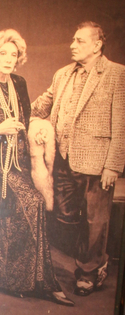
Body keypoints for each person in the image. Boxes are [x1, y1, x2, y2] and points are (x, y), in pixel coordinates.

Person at [0, 29, 72, 305]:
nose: (9, 59)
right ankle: (30, 282)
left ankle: (27, 280)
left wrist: (36, 134)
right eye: (3, 54)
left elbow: (26, 120)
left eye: (14, 54)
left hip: (16, 165)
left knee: (33, 204)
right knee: (32, 202)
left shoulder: (19, 83)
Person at [31, 22, 125, 297]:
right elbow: (41, 106)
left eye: (80, 41)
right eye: (73, 40)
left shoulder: (117, 74)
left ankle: (89, 271)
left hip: (98, 163)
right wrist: (11, 106)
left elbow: (121, 123)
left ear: (97, 45)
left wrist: (113, 165)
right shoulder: (62, 74)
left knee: (96, 221)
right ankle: (93, 260)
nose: (72, 45)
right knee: (65, 216)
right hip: (63, 158)